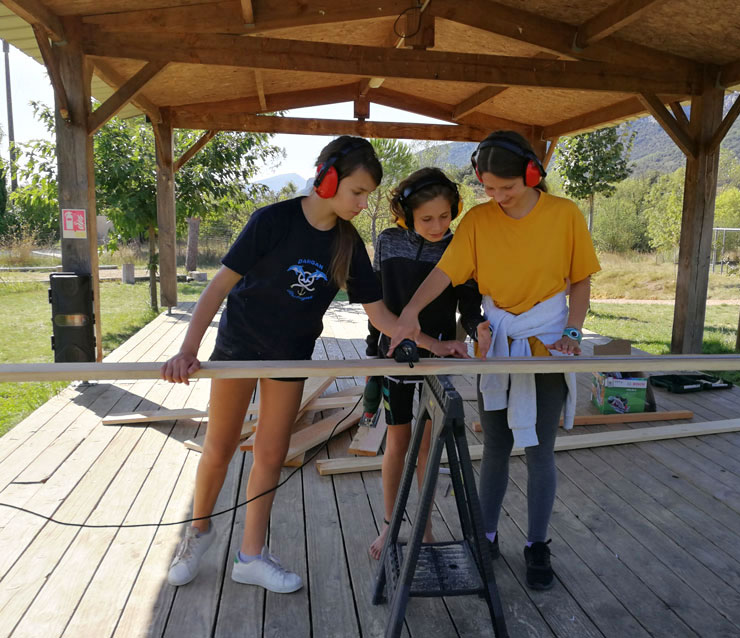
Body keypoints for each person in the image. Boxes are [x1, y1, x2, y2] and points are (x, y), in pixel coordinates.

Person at [159, 136, 449, 593]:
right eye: (356, 192)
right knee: (219, 447)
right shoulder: (271, 221)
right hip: (238, 348)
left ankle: (251, 555)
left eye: (368, 195)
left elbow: (380, 316)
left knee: (271, 455)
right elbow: (217, 288)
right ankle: (197, 536)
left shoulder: (348, 244)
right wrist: (187, 349)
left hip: (290, 354)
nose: (361, 202)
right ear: (327, 178)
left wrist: (431, 343)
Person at [388, 131, 600, 590]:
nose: (499, 197)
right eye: (489, 189)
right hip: (499, 344)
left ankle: (537, 543)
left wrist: (572, 331)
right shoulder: (479, 222)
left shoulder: (564, 215)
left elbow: (580, 280)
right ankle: (485, 537)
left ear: (531, 174)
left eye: (508, 188)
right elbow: (445, 273)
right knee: (498, 447)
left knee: (541, 448)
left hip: (545, 343)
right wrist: (408, 314)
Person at [364, 168, 483, 559]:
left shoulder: (460, 246)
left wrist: (476, 328)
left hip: (438, 357)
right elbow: (376, 302)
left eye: (445, 216)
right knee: (397, 442)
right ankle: (390, 526)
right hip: (394, 357)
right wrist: (373, 350)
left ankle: (425, 529)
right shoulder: (387, 241)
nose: (437, 226)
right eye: (426, 218)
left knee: (427, 448)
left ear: (456, 210)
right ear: (405, 215)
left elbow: (469, 305)